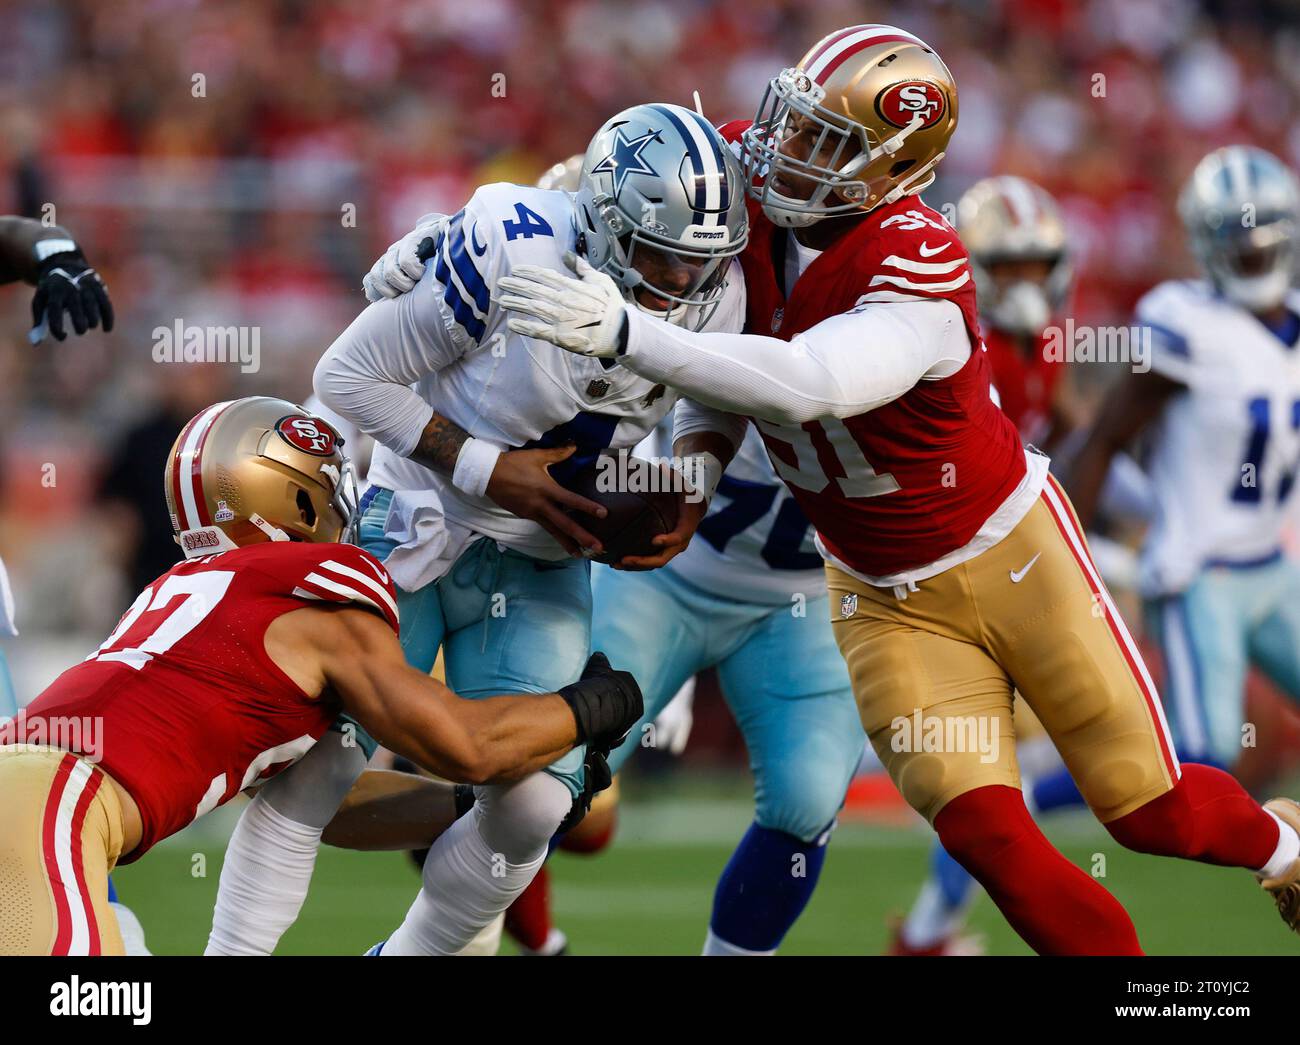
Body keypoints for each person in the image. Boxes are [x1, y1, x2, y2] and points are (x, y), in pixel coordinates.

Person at [496, 24, 1300, 952]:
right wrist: (697, 462)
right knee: (991, 841)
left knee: (1148, 812)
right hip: (881, 594)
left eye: (824, 144)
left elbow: (808, 382)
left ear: (894, 168)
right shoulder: (740, 194)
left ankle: (1282, 845)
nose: (784, 151)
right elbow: (677, 314)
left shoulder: (919, 256)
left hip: (1010, 553)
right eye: (791, 124)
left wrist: (627, 334)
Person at [0, 395, 641, 955]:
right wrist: (593, 705)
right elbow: (464, 745)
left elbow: (324, 811)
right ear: (294, 494)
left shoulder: (188, 595)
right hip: (52, 811)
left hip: (38, 798)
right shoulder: (311, 600)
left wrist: (460, 810)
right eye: (326, 480)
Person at [1069, 145, 1300, 773]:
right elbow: (1104, 440)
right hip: (1200, 572)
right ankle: (1039, 798)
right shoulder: (1186, 323)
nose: (1251, 248)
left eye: (1261, 230)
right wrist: (1061, 568)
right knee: (1200, 761)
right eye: (1233, 233)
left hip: (1275, 567)